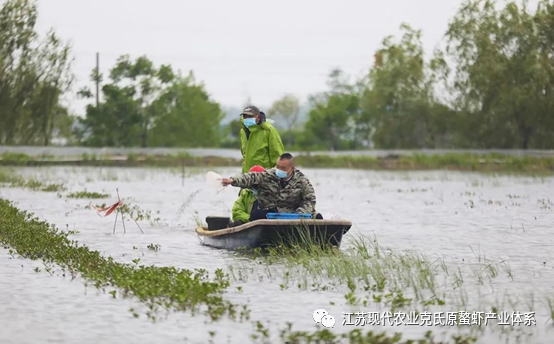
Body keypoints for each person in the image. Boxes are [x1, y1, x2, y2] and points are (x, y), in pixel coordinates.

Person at [222, 153, 318, 220]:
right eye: (278, 166)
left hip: (294, 213)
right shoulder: (270, 174)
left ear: (292, 168)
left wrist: (299, 215)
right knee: (256, 215)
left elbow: (310, 200)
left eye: (283, 168)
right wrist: (232, 180)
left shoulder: (302, 181)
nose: (279, 170)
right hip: (272, 213)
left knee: (317, 217)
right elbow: (252, 177)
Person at [239, 105, 285, 173]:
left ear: (258, 116)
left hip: (264, 177)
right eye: (245, 116)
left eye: (250, 116)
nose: (247, 118)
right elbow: (244, 155)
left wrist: (276, 175)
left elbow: (278, 155)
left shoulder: (269, 130)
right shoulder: (243, 131)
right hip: (247, 176)